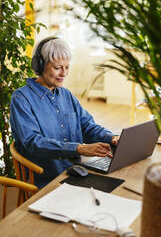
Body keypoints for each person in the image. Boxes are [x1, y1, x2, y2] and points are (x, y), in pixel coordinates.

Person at [10, 37, 119, 188]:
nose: (64, 73)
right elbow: (33, 142)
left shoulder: (66, 94)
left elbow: (87, 126)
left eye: (67, 67)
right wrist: (78, 148)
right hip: (46, 180)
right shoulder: (21, 98)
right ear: (40, 65)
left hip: (77, 171)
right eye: (58, 67)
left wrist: (112, 138)